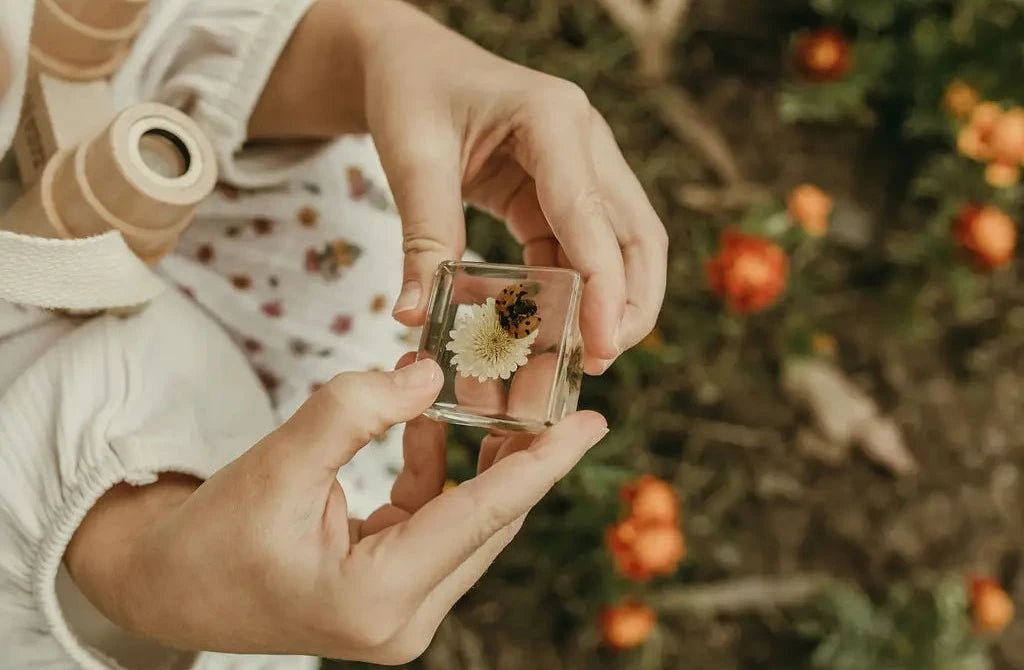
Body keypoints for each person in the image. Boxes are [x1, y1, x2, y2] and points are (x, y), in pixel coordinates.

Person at [0, 0, 667, 668]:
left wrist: (368, 51)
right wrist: (136, 564)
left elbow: (132, 46)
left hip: (257, 274)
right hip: (183, 477)